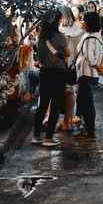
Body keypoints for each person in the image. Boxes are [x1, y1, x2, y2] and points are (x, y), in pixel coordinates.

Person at [33, 9, 68, 147]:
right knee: (55, 105)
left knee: (42, 105)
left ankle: (36, 136)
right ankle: (48, 138)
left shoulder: (40, 38)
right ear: (57, 21)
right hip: (58, 73)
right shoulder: (60, 37)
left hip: (44, 72)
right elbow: (67, 53)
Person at [74, 12, 103, 138]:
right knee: (83, 101)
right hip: (89, 73)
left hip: (85, 73)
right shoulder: (96, 35)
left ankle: (90, 130)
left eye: (83, 20)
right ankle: (83, 125)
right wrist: (101, 67)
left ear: (89, 23)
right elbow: (102, 53)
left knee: (87, 103)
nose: (81, 22)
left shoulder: (89, 38)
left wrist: (99, 67)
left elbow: (90, 58)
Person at [58, 6, 84, 131]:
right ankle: (66, 118)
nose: (61, 19)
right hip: (61, 65)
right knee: (65, 91)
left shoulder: (78, 29)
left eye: (62, 16)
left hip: (73, 64)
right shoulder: (58, 29)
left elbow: (79, 48)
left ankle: (73, 116)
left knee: (73, 90)